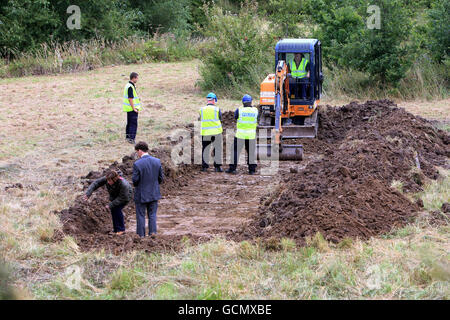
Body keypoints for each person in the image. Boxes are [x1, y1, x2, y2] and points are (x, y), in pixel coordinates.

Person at [83, 170, 133, 235]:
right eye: (107, 180)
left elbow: (122, 198)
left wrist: (110, 204)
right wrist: (88, 194)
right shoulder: (107, 178)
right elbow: (96, 183)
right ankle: (116, 229)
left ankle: (121, 229)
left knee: (117, 209)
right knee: (113, 210)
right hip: (115, 195)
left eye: (110, 181)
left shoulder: (123, 184)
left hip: (125, 197)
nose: (108, 182)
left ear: (114, 179)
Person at [132, 141, 164, 238]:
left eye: (137, 152)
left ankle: (141, 236)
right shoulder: (157, 161)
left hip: (141, 195)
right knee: (152, 215)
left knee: (141, 216)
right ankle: (153, 233)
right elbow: (161, 178)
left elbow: (135, 181)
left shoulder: (137, 164)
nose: (137, 154)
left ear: (140, 151)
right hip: (154, 193)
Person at [226, 94, 258, 175]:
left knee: (235, 152)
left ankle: (232, 169)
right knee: (251, 152)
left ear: (243, 102)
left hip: (240, 135)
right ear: (251, 102)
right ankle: (252, 170)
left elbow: (236, 117)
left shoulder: (239, 110)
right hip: (251, 135)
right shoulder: (255, 110)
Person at [199, 92, 223, 172]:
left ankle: (204, 167)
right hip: (216, 132)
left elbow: (200, 118)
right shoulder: (217, 109)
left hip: (205, 133)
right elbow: (220, 118)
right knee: (217, 149)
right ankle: (217, 167)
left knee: (205, 149)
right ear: (214, 100)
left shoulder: (201, 110)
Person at [123, 72, 142, 144]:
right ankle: (131, 138)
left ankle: (128, 137)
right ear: (133, 78)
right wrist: (134, 108)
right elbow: (130, 98)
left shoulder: (128, 85)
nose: (137, 79)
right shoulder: (130, 87)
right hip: (132, 108)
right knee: (133, 124)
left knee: (129, 123)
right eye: (137, 78)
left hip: (128, 108)